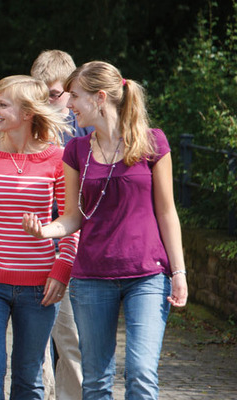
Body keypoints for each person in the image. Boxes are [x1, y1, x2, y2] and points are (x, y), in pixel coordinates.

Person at [22, 61, 188, 400]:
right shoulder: (76, 150)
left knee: (141, 374)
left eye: (75, 97)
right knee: (96, 380)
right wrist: (45, 231)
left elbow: (167, 211)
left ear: (100, 98)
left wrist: (179, 271)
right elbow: (72, 217)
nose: (69, 105)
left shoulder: (153, 143)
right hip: (92, 277)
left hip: (147, 275)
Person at [0, 75, 78, 400]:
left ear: (27, 113)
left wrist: (62, 270)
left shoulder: (58, 159)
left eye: (2, 104)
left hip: (40, 287)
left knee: (30, 375)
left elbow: (70, 222)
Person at [28, 49, 89, 400]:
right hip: (32, 247)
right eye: (41, 94)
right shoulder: (28, 128)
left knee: (71, 341)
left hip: (71, 245)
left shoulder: (83, 133)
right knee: (35, 345)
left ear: (69, 91)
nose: (47, 103)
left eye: (53, 94)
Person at [31, 50, 92, 145]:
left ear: (71, 89)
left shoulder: (86, 125)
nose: (45, 100)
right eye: (39, 94)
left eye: (53, 94)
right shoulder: (27, 123)